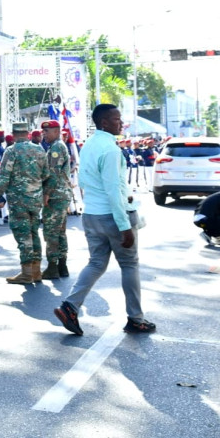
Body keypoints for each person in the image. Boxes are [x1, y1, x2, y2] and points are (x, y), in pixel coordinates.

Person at [54, 104, 156, 336]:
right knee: (129, 265)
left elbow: (85, 181)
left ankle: (69, 306)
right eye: (117, 119)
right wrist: (125, 227)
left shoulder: (90, 145)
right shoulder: (110, 150)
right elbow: (113, 191)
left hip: (92, 215)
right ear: (104, 123)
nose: (121, 123)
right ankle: (136, 319)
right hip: (113, 216)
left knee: (96, 263)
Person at [0, 122, 52, 285]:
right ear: (27, 133)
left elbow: (5, 175)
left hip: (18, 200)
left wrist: (0, 194)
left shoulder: (11, 151)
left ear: (13, 134)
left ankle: (26, 273)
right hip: (35, 199)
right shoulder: (39, 149)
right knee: (34, 233)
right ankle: (36, 271)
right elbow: (46, 173)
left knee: (23, 235)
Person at [39, 120, 71, 280]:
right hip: (61, 195)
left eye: (47, 131)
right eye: (43, 131)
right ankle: (62, 265)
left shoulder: (57, 147)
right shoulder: (57, 146)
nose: (44, 134)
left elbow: (53, 173)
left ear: (57, 131)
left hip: (56, 195)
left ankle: (52, 267)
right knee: (60, 232)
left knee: (51, 231)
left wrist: (46, 194)